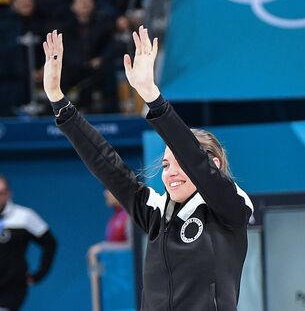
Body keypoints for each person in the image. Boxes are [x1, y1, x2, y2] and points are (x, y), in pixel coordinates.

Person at [42, 27, 253, 310]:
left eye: (182, 164)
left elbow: (196, 162)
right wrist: (59, 101)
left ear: (213, 165)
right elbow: (107, 166)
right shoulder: (155, 212)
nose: (171, 173)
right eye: (166, 165)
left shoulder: (231, 208)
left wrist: (152, 97)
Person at [0, 174, 57, 311]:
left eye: (1, 193)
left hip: (12, 286)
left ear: (8, 193)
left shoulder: (24, 216)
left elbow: (50, 243)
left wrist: (39, 274)